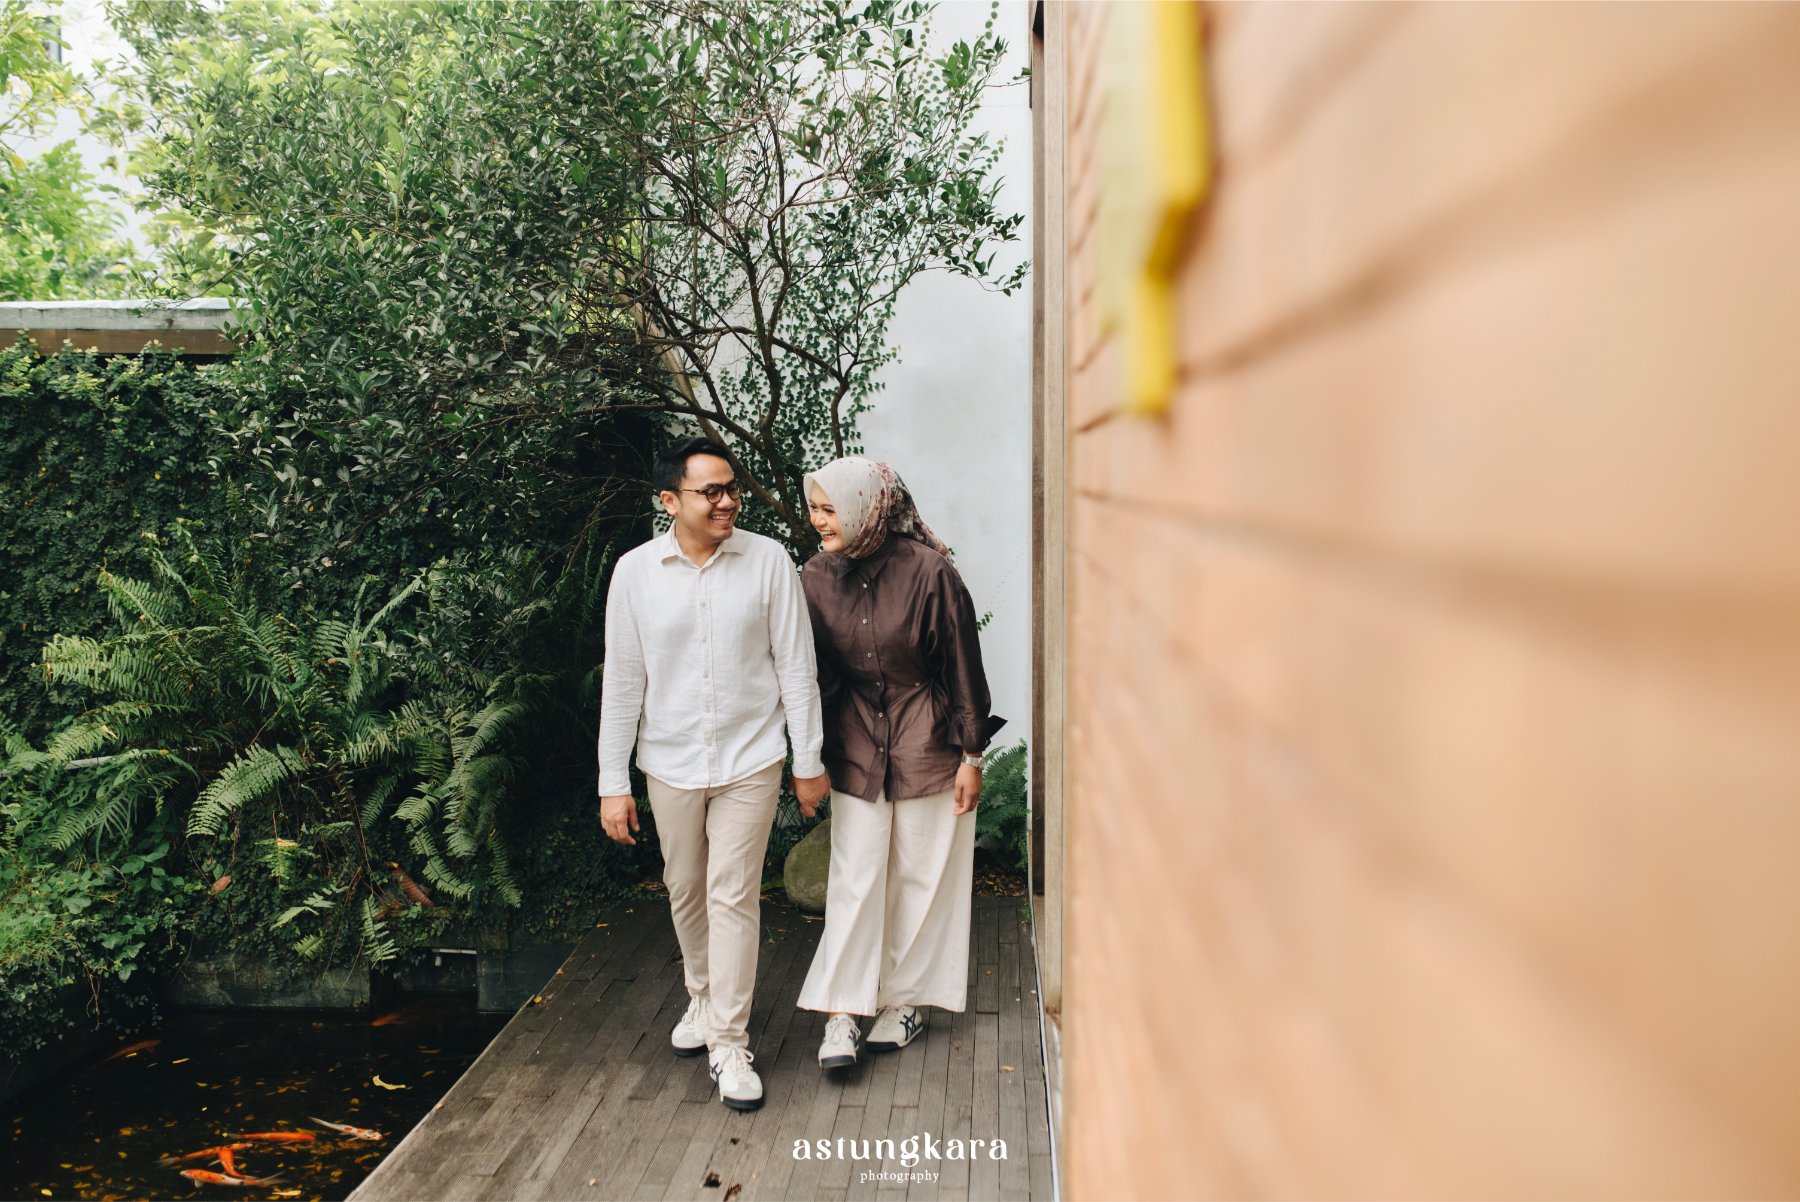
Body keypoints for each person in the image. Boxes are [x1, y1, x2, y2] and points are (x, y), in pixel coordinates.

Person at [598, 436, 832, 1111]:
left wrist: (808, 761)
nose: (729, 501)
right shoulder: (635, 573)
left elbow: (796, 668)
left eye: (732, 488)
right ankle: (701, 997)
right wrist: (613, 782)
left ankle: (729, 1042)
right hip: (668, 760)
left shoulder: (769, 561)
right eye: (711, 491)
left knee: (732, 895)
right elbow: (623, 682)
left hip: (749, 758)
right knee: (685, 888)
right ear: (669, 500)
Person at [794, 456, 1004, 1069]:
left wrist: (972, 755)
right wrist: (810, 754)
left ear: (867, 508)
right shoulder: (815, 577)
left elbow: (963, 666)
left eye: (830, 509)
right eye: (814, 508)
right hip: (856, 742)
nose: (819, 520)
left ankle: (905, 1002)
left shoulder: (930, 572)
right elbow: (811, 673)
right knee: (854, 879)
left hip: (929, 741)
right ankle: (841, 1013)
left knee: (922, 876)